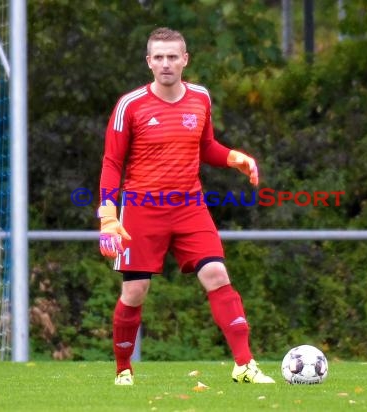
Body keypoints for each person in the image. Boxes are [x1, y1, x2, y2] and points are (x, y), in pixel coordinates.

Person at [98, 27, 275, 386]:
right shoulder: (130, 105)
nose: (166, 63)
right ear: (149, 62)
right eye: (159, 57)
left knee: (217, 274)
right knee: (135, 291)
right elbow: (112, 163)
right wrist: (108, 216)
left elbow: (205, 145)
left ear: (185, 60)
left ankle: (244, 364)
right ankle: (123, 369)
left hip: (189, 206)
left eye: (172, 56)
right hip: (141, 208)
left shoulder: (200, 97)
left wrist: (234, 158)